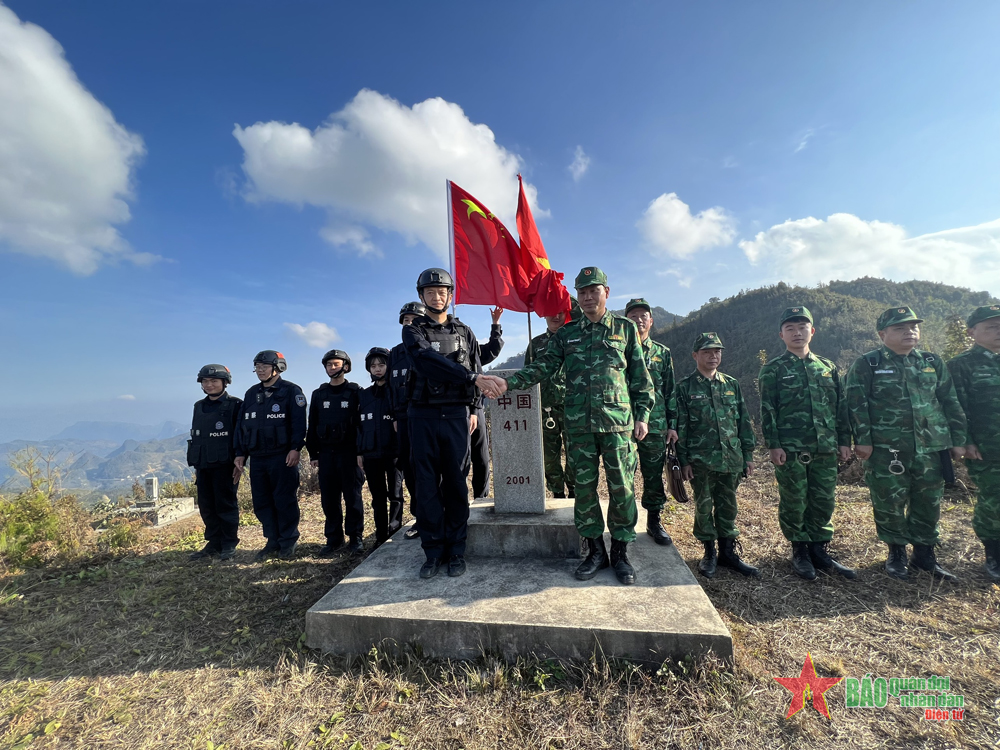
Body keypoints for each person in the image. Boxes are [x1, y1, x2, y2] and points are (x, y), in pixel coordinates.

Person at [479, 267, 653, 586]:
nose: (588, 297)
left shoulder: (625, 329)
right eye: (582, 292)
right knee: (584, 491)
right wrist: (508, 384)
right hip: (579, 427)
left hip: (618, 426)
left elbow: (641, 380)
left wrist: (642, 415)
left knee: (622, 488)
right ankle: (595, 552)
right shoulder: (567, 335)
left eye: (593, 291)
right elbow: (543, 367)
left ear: (606, 292)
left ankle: (621, 553)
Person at [846, 306, 968, 581]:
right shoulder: (869, 363)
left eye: (913, 326)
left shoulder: (931, 361)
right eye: (900, 328)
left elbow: (949, 401)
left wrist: (958, 440)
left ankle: (925, 555)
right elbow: (855, 405)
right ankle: (896, 552)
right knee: (889, 501)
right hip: (887, 449)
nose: (909, 331)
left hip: (931, 447)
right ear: (882, 333)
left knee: (929, 501)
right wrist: (862, 441)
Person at [403, 268, 490, 579]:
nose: (436, 296)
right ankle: (433, 551)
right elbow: (426, 361)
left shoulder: (465, 331)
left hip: (456, 414)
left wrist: (473, 409)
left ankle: (456, 550)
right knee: (426, 486)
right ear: (422, 296)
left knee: (455, 483)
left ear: (450, 296)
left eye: (442, 291)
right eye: (430, 292)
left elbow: (477, 367)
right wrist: (467, 377)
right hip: (423, 415)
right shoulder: (413, 330)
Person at [758, 307, 855, 580]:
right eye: (790, 328)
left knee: (823, 500)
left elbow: (841, 407)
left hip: (825, 446)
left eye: (802, 327)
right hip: (791, 448)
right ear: (781, 335)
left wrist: (844, 440)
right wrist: (774, 445)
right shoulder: (773, 369)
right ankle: (799, 550)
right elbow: (768, 409)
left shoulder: (827, 368)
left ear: (812, 331)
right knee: (795, 499)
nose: (797, 333)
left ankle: (820, 549)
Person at [676, 332, 760, 579]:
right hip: (700, 461)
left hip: (731, 457)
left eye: (717, 351)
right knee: (704, 506)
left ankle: (728, 553)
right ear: (695, 355)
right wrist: (684, 460)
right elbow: (680, 427)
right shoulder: (684, 387)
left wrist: (748, 454)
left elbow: (743, 420)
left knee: (728, 505)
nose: (713, 356)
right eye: (706, 352)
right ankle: (709, 553)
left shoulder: (730, 384)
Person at [234, 351, 307, 561]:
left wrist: (295, 448)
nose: (260, 371)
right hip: (257, 457)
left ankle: (288, 541)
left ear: (278, 367)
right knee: (262, 502)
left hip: (282, 456)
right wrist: (240, 453)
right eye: (257, 367)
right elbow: (242, 426)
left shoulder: (291, 391)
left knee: (284, 500)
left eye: (264, 367)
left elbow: (299, 423)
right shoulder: (250, 394)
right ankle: (272, 540)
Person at [948, 305, 1000, 580]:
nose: (998, 330)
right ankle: (994, 554)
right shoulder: (960, 365)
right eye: (991, 326)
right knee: (994, 500)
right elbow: (956, 407)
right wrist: (963, 441)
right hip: (988, 448)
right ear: (972, 332)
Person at [624, 298, 678, 545]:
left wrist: (672, 424)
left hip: (655, 425)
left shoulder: (662, 353)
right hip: (623, 422)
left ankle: (654, 521)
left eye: (643, 316)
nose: (638, 320)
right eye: (633, 316)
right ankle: (626, 523)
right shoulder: (618, 349)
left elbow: (669, 390)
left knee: (653, 474)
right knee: (624, 474)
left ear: (651, 321)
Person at [306, 349, 365, 556]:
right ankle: (333, 539)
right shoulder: (319, 394)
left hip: (349, 453)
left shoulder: (356, 391)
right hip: (326, 454)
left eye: (336, 364)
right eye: (329, 365)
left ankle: (355, 537)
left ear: (346, 366)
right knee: (329, 499)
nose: (332, 367)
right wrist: (313, 453)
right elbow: (312, 424)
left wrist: (361, 452)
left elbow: (362, 424)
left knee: (353, 497)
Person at [187, 364, 242, 561]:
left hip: (225, 464)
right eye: (205, 381)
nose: (209, 385)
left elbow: (240, 435)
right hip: (203, 464)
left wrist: (240, 460)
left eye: (214, 381)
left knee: (225, 504)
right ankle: (214, 542)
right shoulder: (198, 406)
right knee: (206, 505)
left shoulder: (235, 405)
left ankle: (228, 543)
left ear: (224, 382)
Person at [525, 310, 575, 499]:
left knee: (575, 453)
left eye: (560, 312)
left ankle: (574, 490)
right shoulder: (536, 344)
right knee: (549, 456)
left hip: (573, 408)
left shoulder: (574, 339)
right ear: (544, 315)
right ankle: (557, 491)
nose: (556, 316)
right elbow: (527, 375)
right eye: (551, 312)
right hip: (545, 410)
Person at [358, 347, 404, 545]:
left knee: (395, 494)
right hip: (370, 454)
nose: (377, 369)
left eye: (381, 364)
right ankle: (380, 535)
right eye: (373, 366)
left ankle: (395, 531)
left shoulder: (397, 391)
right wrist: (359, 452)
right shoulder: (364, 395)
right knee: (377, 498)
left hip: (394, 451)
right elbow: (357, 426)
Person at [389, 301, 425, 540]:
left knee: (432, 467)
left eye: (414, 320)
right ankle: (420, 518)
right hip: (403, 419)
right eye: (405, 320)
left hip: (428, 416)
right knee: (410, 469)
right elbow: (392, 388)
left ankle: (439, 514)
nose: (409, 323)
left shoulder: (431, 349)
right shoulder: (395, 353)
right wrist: (394, 415)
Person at [470, 307, 505, 498]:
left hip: (477, 407)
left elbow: (493, 348)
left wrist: (496, 324)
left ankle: (481, 498)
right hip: (452, 410)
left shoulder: (473, 351)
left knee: (481, 457)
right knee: (458, 460)